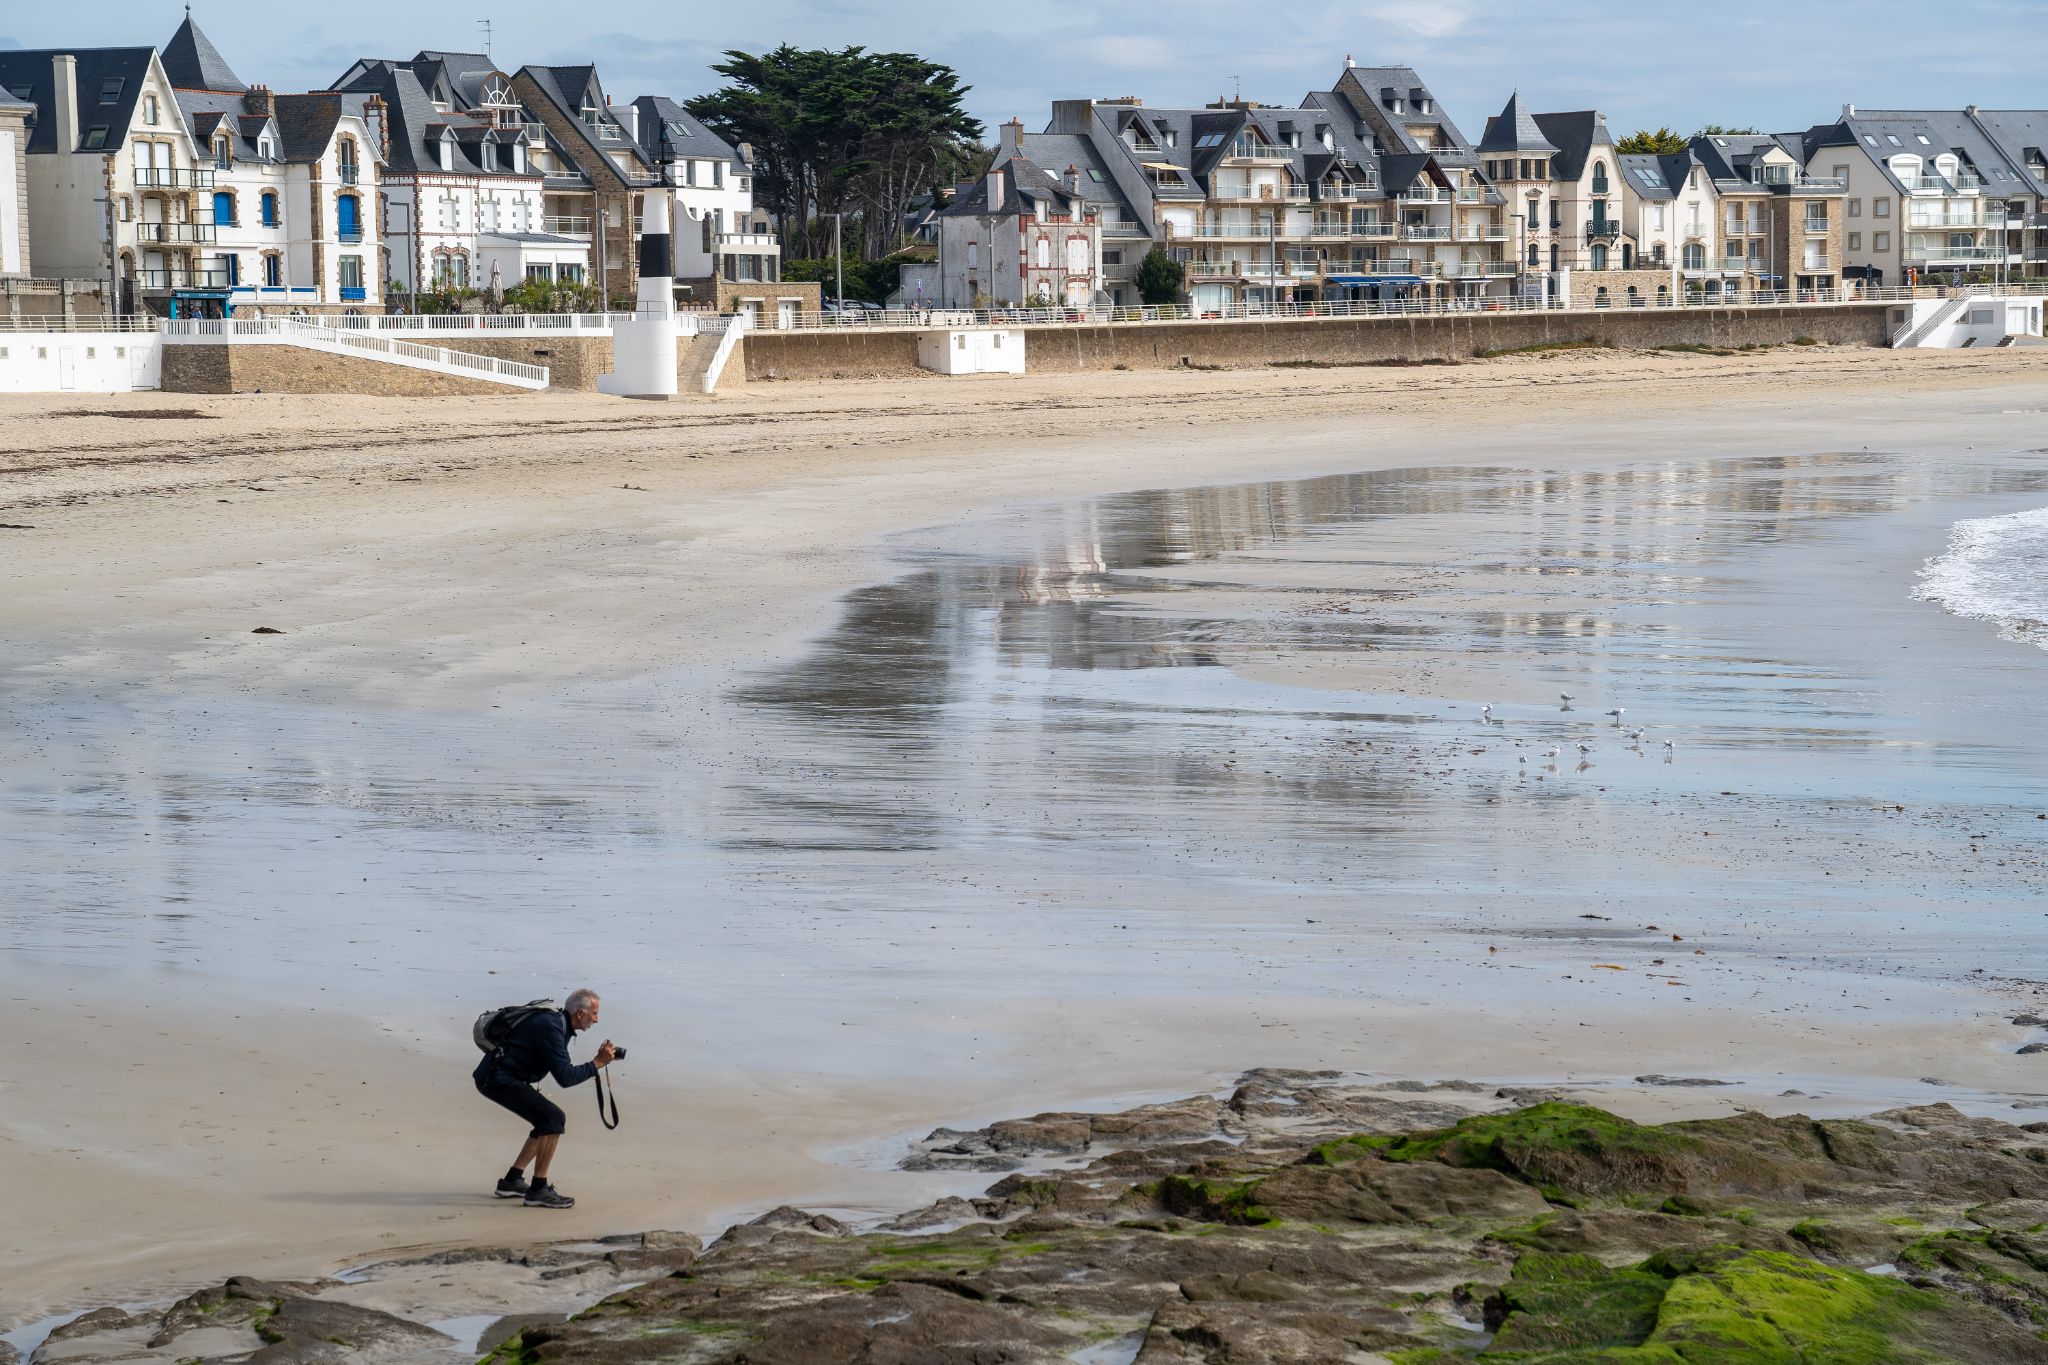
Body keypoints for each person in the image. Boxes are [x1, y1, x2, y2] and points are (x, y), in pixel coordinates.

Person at [473, 987, 617, 1208]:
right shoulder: (551, 1027)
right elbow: (566, 1078)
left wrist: (597, 1062)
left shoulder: (557, 1023)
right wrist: (597, 1063)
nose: (597, 1020)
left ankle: (511, 1181)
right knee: (553, 1119)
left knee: (546, 1120)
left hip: (503, 1076)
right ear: (580, 1014)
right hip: (497, 1079)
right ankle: (538, 1190)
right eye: (595, 1014)